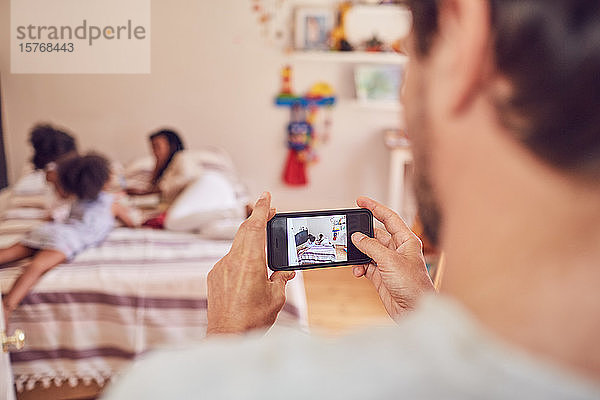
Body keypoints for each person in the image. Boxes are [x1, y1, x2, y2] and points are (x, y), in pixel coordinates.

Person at [104, 0, 600, 398]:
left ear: (461, 30)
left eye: (407, 53)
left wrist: (222, 349)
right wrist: (422, 312)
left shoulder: (171, 387)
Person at [1, 154, 134, 326]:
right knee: (37, 267)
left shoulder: (76, 200)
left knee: (11, 252)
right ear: (104, 181)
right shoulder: (112, 204)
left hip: (52, 230)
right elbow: (132, 223)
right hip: (69, 238)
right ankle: (7, 306)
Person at [127, 129, 202, 203]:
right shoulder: (167, 167)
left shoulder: (182, 157)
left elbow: (187, 178)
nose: (154, 152)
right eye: (152, 148)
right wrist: (157, 169)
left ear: (172, 146)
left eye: (157, 147)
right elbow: (154, 188)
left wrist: (152, 191)